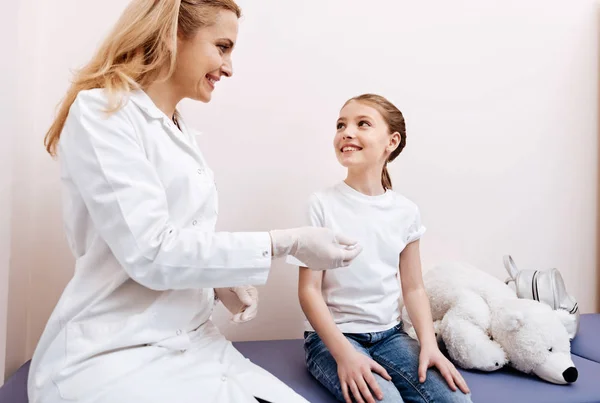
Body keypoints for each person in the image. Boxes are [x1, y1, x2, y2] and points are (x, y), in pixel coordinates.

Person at [27, 1, 362, 402]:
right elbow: (150, 252)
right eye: (222, 47)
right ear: (173, 35)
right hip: (112, 353)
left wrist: (216, 280)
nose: (229, 67)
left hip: (196, 344)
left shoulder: (179, 128)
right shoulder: (103, 112)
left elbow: (178, 236)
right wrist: (283, 242)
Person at [291, 94, 472, 403]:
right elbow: (309, 291)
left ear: (391, 141)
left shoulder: (406, 211)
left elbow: (413, 287)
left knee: (457, 400)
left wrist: (429, 344)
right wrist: (345, 355)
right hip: (332, 339)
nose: (347, 132)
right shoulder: (321, 205)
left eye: (363, 124)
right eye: (341, 125)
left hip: (391, 336)